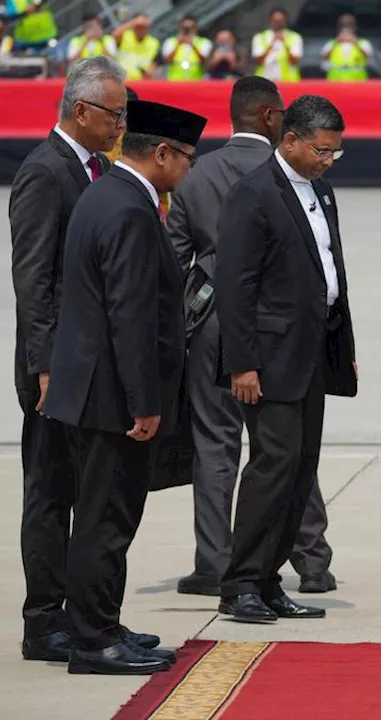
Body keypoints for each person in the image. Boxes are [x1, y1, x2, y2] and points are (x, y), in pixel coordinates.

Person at [43, 99, 205, 674]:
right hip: (112, 396)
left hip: (94, 388)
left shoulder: (108, 193)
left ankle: (102, 623)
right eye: (186, 159)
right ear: (161, 153)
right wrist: (144, 402)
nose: (189, 171)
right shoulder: (130, 209)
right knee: (104, 521)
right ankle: (92, 641)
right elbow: (130, 314)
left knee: (101, 516)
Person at [214, 95, 358, 622]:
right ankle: (241, 582)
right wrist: (241, 363)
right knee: (271, 467)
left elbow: (330, 275)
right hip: (267, 361)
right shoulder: (253, 194)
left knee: (300, 469)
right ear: (290, 140)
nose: (327, 160)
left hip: (312, 355)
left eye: (335, 153)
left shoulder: (320, 189)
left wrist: (344, 353)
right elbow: (235, 284)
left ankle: (271, 578)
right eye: (322, 150)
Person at [9, 55, 127, 664]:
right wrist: (47, 366)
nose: (120, 124)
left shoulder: (96, 169)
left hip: (92, 367)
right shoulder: (45, 173)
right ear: (80, 111)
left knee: (94, 491)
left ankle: (89, 613)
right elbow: (33, 280)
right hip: (57, 369)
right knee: (52, 492)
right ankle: (43, 617)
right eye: (114, 113)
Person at [252, 8, 303, 82]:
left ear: (285, 21)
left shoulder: (295, 37)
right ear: (270, 20)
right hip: (265, 82)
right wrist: (271, 44)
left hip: (288, 82)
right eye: (275, 20)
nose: (278, 23)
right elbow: (259, 61)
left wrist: (285, 43)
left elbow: (295, 61)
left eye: (281, 21)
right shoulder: (260, 37)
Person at [321, 14, 372, 82]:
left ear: (354, 27)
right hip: (335, 80)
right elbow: (324, 56)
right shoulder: (332, 43)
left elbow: (367, 55)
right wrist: (337, 42)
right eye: (343, 25)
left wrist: (355, 43)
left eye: (349, 25)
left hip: (357, 80)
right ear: (338, 27)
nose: (346, 27)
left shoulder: (362, 42)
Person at [161, 15, 211, 81]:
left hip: (196, 82)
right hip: (175, 81)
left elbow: (206, 62)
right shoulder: (171, 41)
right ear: (180, 27)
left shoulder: (204, 42)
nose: (187, 30)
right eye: (185, 28)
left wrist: (193, 45)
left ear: (196, 27)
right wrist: (178, 43)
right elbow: (167, 61)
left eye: (190, 28)